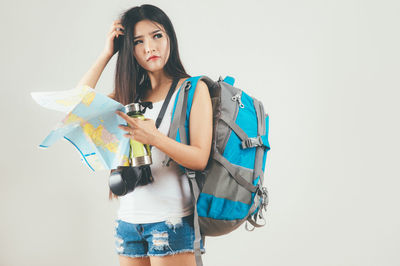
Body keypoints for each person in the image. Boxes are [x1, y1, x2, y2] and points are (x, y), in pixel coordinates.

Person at [76, 4, 212, 266]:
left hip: (171, 222)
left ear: (170, 37)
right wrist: (106, 54)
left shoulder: (193, 89)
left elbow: (200, 158)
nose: (150, 47)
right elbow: (79, 107)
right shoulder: (128, 96)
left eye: (157, 36)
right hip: (128, 224)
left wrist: (154, 138)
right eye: (138, 42)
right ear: (130, 49)